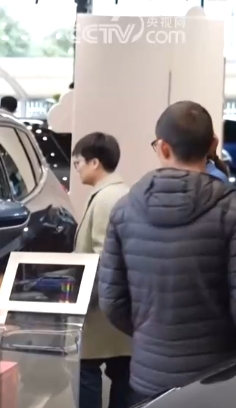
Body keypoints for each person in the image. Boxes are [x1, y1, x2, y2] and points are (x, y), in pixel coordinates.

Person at [99, 101, 236, 406]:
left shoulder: (124, 209)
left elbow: (112, 301)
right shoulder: (230, 211)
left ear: (162, 147)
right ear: (213, 144)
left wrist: (151, 334)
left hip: (149, 376)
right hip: (218, 380)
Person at [70, 132, 132, 408]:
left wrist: (82, 301)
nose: (77, 169)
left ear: (95, 162)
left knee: (87, 370)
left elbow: (103, 257)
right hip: (119, 306)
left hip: (101, 307)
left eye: (78, 162)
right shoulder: (120, 193)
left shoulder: (107, 198)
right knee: (122, 372)